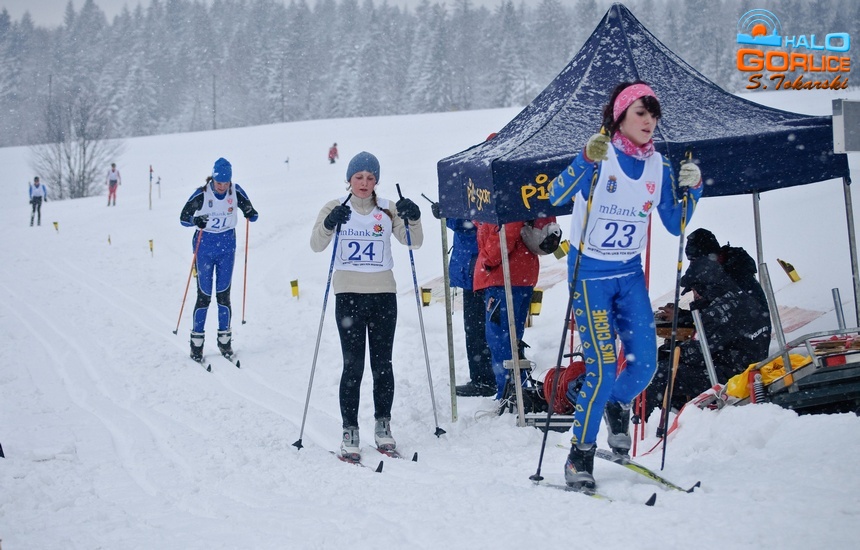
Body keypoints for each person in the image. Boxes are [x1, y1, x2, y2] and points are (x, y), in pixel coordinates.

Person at [548, 80, 704, 491]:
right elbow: (555, 193)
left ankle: (614, 402)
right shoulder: (601, 156)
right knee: (601, 367)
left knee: (645, 364)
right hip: (590, 276)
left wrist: (695, 189)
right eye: (641, 113)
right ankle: (579, 456)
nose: (649, 121)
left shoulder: (659, 166)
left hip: (629, 275)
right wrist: (585, 158)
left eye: (654, 115)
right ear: (620, 116)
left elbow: (675, 223)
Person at [310, 151, 423, 460]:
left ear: (377, 181)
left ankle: (383, 425)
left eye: (370, 177)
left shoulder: (388, 208)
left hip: (383, 294)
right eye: (358, 177)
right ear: (348, 179)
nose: (364, 183)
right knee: (353, 366)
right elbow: (316, 244)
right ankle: (350, 429)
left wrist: (413, 216)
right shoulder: (335, 207)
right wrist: (330, 223)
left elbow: (413, 241)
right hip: (348, 295)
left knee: (383, 364)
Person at [648, 255, 772, 417]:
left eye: (695, 290)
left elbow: (697, 352)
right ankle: (678, 413)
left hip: (732, 376)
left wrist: (669, 351)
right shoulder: (740, 298)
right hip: (749, 366)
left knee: (659, 373)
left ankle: (650, 420)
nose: (694, 295)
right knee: (673, 368)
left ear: (705, 286)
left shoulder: (719, 312)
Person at [179, 158, 258, 362]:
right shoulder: (202, 194)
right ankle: (196, 345)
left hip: (226, 249)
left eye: (225, 182)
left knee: (223, 295)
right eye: (218, 182)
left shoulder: (235, 191)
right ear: (212, 179)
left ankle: (225, 342)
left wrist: (250, 213)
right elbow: (183, 218)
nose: (222, 187)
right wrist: (195, 220)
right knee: (204, 296)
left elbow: (251, 211)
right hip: (204, 249)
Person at [472, 218, 539, 401]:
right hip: (520, 274)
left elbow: (508, 230)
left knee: (501, 339)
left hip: (504, 276)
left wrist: (487, 259)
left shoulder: (505, 206)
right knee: (511, 338)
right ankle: (516, 390)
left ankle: (510, 393)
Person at [431, 204, 494, 397]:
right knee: (478, 327)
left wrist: (448, 215)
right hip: (474, 267)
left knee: (479, 328)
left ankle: (485, 379)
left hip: (479, 267)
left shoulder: (475, 195)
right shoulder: (466, 194)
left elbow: (470, 224)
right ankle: (487, 377)